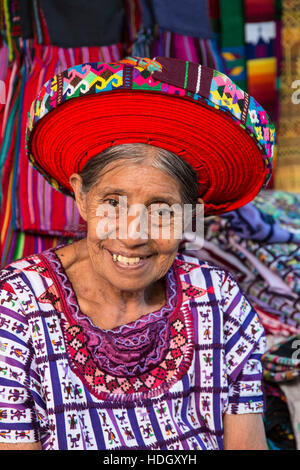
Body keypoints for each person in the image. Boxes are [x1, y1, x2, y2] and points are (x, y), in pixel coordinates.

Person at [0, 56, 275, 450]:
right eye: (112, 202)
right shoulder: (17, 306)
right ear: (81, 195)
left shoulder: (217, 298)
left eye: (162, 211)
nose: (132, 236)